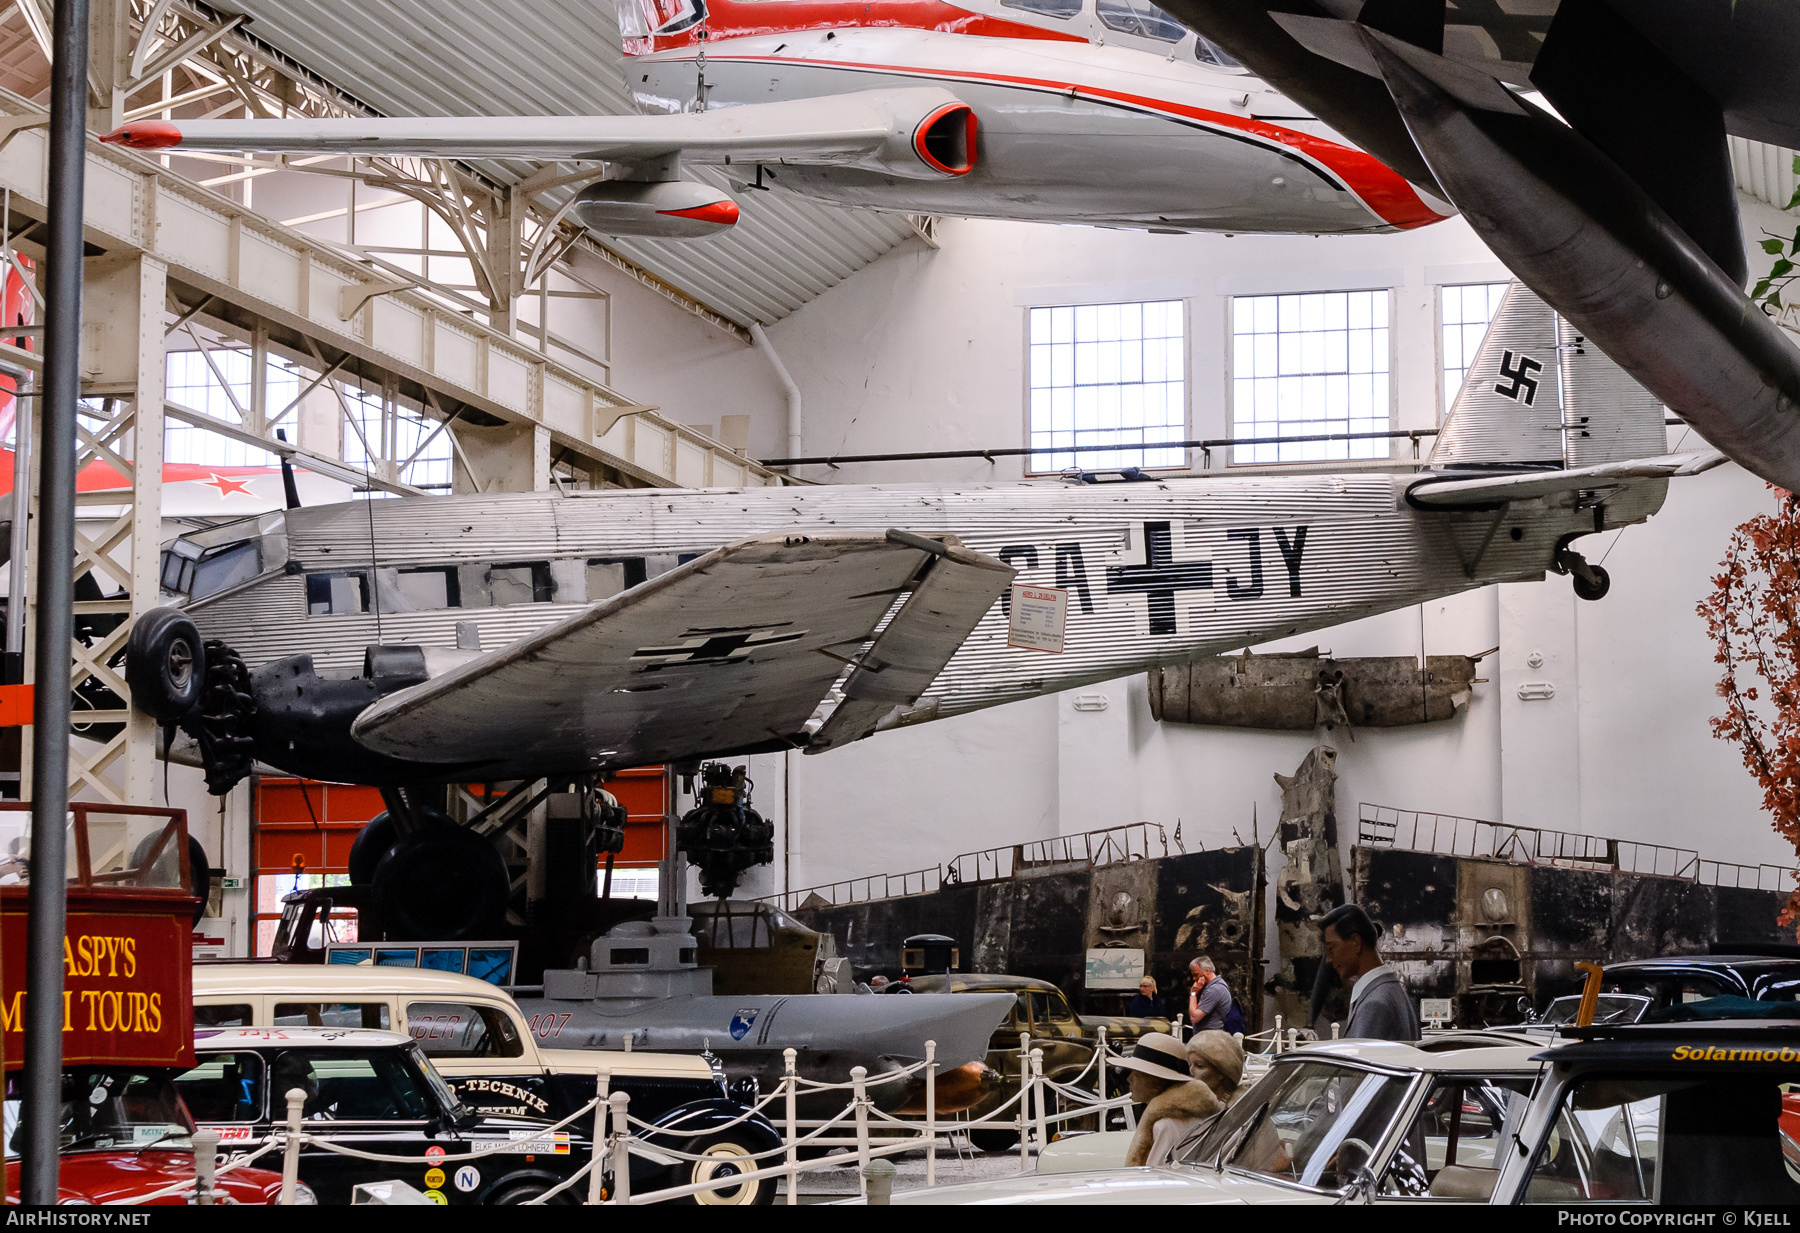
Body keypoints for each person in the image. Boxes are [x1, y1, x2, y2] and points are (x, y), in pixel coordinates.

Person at [1110, 1032, 1222, 1167]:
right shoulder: (1191, 1116)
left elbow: (1158, 1181)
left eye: (1137, 1073)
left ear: (1154, 1079)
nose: (1129, 1079)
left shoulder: (1165, 1126)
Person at [1320, 902, 1419, 1041]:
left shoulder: (1375, 1004)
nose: (1328, 959)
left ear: (1355, 942)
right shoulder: (1393, 992)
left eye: (1331, 948)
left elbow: (1360, 1061)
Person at [1187, 956, 1231, 1032]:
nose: (1194, 979)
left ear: (1207, 971)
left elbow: (1194, 1017)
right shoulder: (1213, 986)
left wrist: (1193, 993)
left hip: (1210, 1037)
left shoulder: (1214, 990)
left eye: (1196, 974)